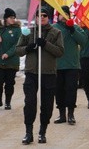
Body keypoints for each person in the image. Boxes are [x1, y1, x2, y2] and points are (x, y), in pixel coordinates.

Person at [16, 8, 64, 144]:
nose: (42, 17)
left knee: (47, 104)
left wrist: (46, 44)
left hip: (48, 73)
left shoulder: (56, 32)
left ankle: (42, 132)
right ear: (35, 17)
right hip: (32, 73)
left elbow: (60, 52)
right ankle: (28, 132)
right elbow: (18, 50)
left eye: (44, 15)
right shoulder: (28, 32)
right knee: (30, 103)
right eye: (39, 15)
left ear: (48, 17)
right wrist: (28, 48)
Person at [53, 6, 86, 125]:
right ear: (58, 15)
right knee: (59, 90)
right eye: (61, 14)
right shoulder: (54, 28)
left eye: (66, 14)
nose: (63, 16)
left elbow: (83, 41)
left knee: (71, 90)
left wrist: (72, 30)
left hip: (72, 65)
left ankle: (71, 114)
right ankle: (61, 114)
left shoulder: (75, 28)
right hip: (57, 65)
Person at [0, 8, 21, 110]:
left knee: (9, 83)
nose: (13, 19)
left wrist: (8, 54)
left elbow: (17, 44)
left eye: (14, 17)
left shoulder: (17, 30)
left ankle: (8, 102)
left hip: (12, 62)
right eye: (11, 17)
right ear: (6, 18)